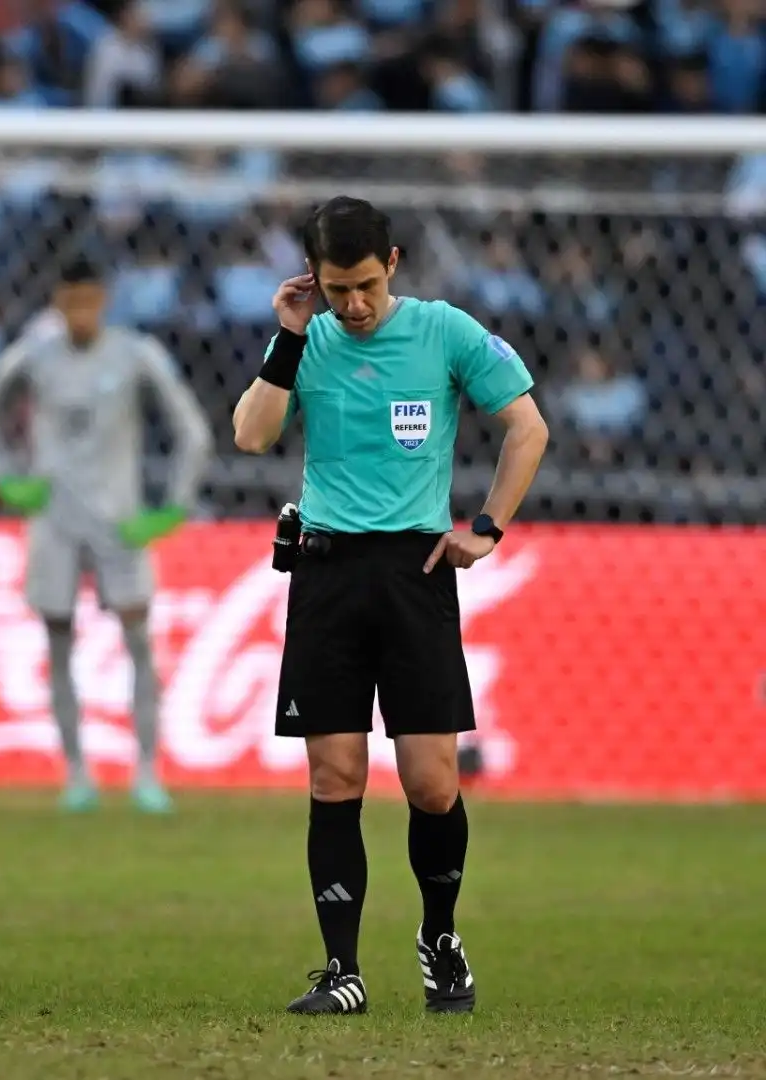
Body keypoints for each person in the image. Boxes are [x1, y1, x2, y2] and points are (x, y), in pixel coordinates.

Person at [230, 196, 549, 1016]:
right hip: (328, 571)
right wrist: (293, 335)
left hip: (415, 572)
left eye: (366, 285)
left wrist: (488, 527)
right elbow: (251, 435)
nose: (355, 305)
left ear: (394, 264)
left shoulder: (444, 331)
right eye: (337, 289)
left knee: (431, 781)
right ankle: (342, 971)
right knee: (335, 777)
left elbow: (527, 427)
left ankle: (439, 938)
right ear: (314, 281)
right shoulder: (307, 339)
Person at [0, 258, 213, 814]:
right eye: (69, 302)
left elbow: (192, 430)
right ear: (57, 301)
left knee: (139, 641)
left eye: (88, 301)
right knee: (58, 640)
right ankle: (77, 773)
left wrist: (172, 507)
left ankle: (147, 770)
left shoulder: (134, 354)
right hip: (54, 519)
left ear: (104, 299)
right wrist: (7, 479)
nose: (79, 313)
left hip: (119, 520)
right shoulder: (34, 355)